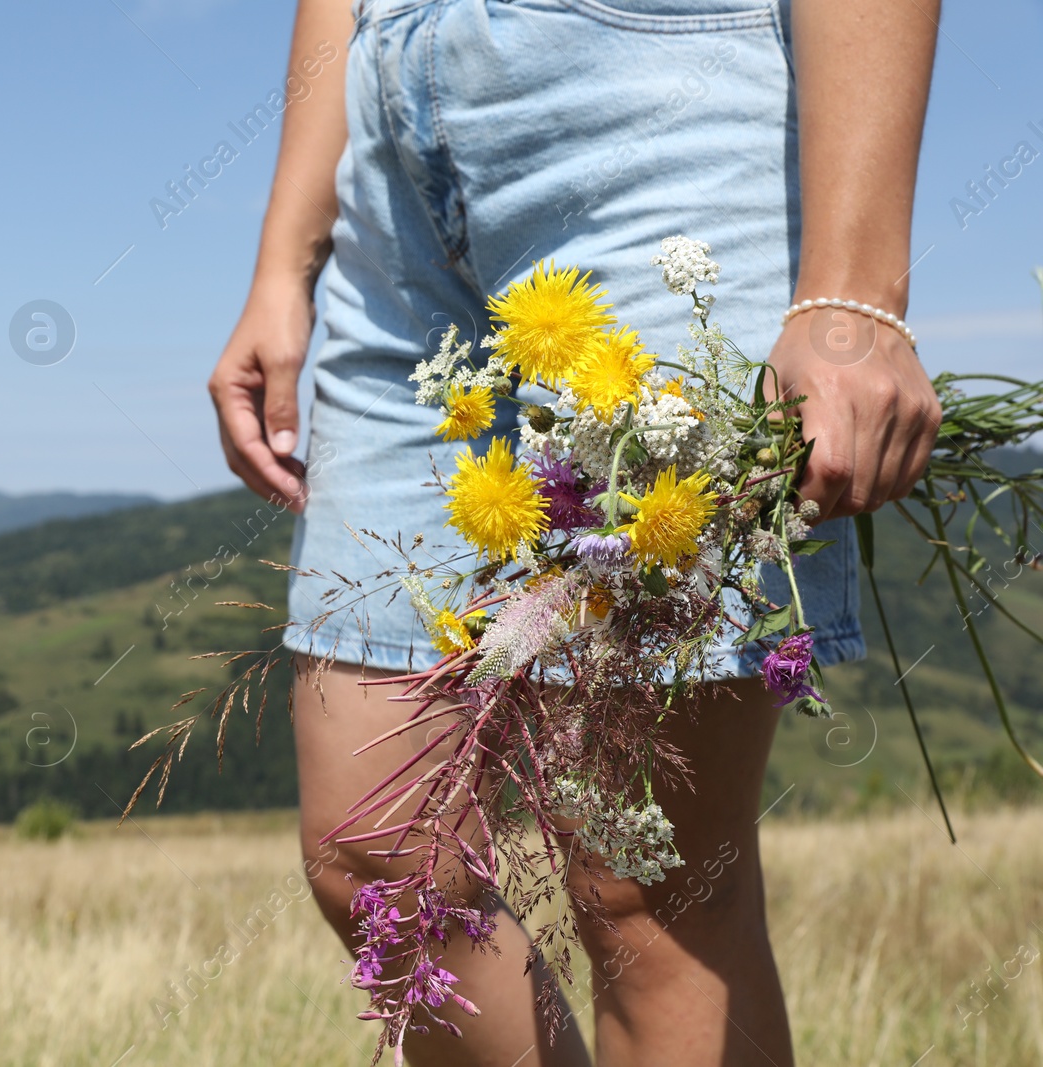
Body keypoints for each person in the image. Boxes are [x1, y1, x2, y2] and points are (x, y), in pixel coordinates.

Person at [207, 0, 941, 1063]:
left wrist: (856, 297)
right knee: (378, 850)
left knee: (644, 887)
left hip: (657, 111)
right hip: (388, 173)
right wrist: (284, 261)